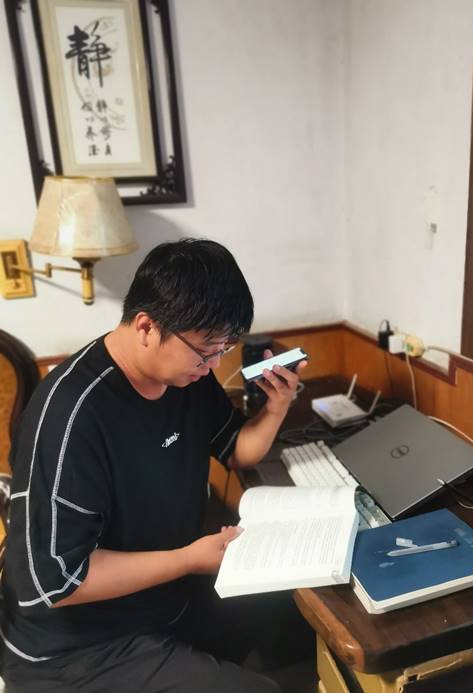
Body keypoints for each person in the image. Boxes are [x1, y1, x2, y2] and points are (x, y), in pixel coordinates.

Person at [1, 239, 311, 693]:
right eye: (206, 350)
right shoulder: (72, 414)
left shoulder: (186, 376)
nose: (213, 364)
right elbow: (60, 579)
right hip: (74, 648)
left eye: (223, 348)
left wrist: (278, 406)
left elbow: (237, 450)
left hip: (162, 600)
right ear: (146, 326)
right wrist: (187, 560)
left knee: (291, 604)